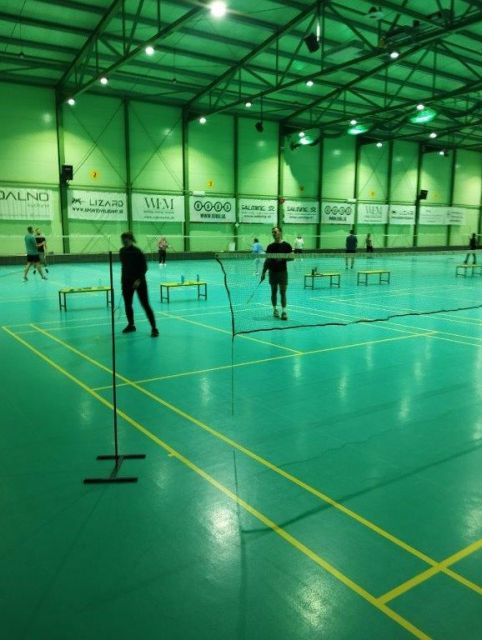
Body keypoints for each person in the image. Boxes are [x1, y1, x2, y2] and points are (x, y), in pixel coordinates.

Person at [119, 232, 159, 337]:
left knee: (145, 305)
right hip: (127, 283)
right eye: (122, 240)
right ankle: (131, 325)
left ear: (130, 239)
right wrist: (123, 282)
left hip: (139, 282)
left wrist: (138, 280)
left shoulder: (137, 252)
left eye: (125, 240)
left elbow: (144, 267)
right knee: (128, 305)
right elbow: (124, 267)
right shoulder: (122, 251)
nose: (124, 242)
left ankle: (154, 328)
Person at [261, 226, 293, 321]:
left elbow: (292, 257)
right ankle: (275, 309)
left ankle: (284, 311)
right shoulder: (270, 246)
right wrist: (263, 273)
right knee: (273, 292)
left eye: (275, 232)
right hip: (272, 272)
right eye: (273, 232)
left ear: (280, 232)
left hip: (283, 272)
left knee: (283, 292)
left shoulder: (286, 245)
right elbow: (267, 261)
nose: (273, 234)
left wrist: (282, 258)